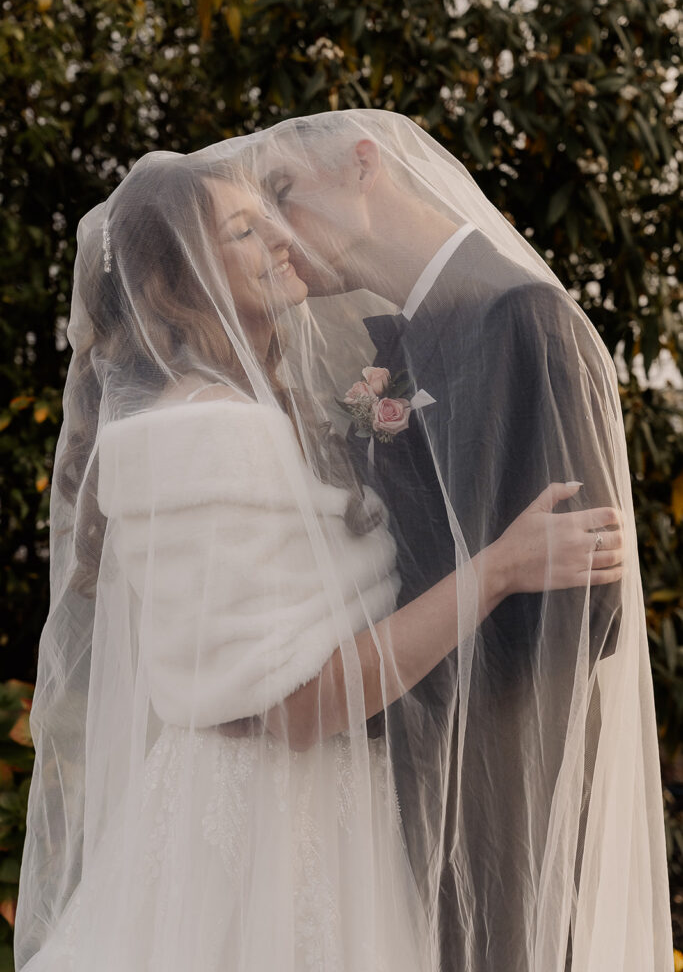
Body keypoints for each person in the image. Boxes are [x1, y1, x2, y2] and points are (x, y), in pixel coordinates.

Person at [15, 146, 628, 972]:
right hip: (272, 833)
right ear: (182, 281)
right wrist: (499, 568)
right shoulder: (202, 432)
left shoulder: (251, 408)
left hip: (318, 809)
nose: (280, 237)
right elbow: (296, 707)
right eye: (244, 229)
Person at [254, 110, 673, 971]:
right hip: (397, 773)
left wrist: (381, 681)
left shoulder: (524, 317)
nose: (275, 236)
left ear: (363, 165)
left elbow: (582, 597)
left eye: (284, 193)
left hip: (492, 777)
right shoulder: (403, 338)